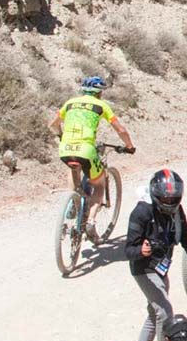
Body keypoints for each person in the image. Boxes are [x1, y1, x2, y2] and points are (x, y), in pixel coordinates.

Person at [125, 169, 187, 341]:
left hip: (161, 268)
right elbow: (128, 250)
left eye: (173, 199)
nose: (169, 203)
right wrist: (140, 251)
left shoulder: (177, 211)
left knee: (155, 315)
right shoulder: (142, 212)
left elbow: (185, 236)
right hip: (143, 268)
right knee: (165, 312)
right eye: (165, 199)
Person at [52, 76, 137, 238]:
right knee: (99, 185)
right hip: (86, 149)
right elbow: (120, 130)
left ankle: (73, 202)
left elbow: (53, 124)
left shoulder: (69, 103)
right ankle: (90, 221)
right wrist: (129, 146)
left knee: (72, 168)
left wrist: (62, 136)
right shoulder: (101, 106)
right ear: (100, 93)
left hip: (65, 148)